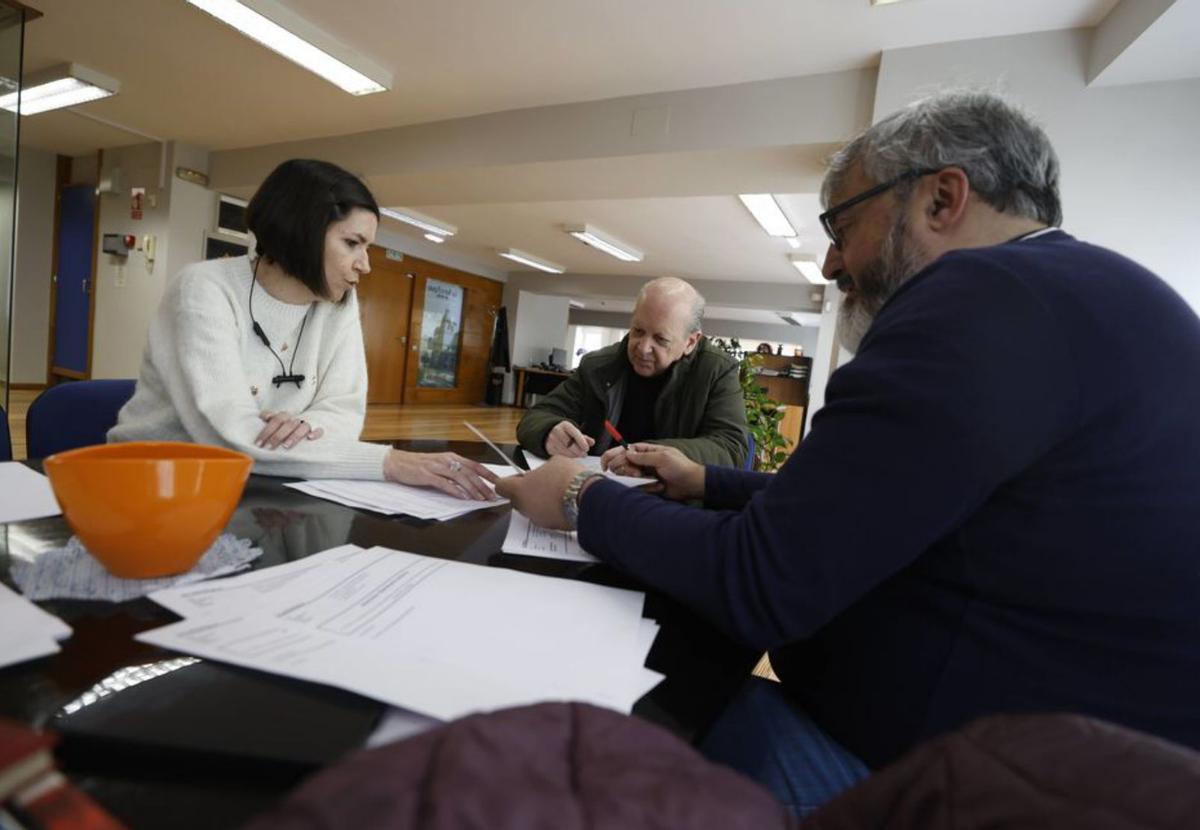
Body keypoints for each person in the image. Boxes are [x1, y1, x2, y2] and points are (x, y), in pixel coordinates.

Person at [498, 90, 1200, 815]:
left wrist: (584, 499)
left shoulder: (978, 298)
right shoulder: (1101, 294)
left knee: (584, 727)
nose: (833, 262)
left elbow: (760, 583)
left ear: (941, 199)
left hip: (954, 785)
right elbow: (876, 501)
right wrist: (710, 480)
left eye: (843, 224)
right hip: (1082, 770)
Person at [110, 159, 496, 500]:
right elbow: (227, 435)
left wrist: (308, 424)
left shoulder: (338, 302)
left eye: (368, 248)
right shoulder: (203, 289)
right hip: (157, 481)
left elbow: (343, 411)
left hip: (268, 480)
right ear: (301, 231)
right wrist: (390, 462)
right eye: (352, 243)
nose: (365, 265)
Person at [515, 277, 749, 470]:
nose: (643, 347)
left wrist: (652, 456)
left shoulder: (716, 371)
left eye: (661, 339)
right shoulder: (597, 366)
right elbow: (538, 416)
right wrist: (549, 431)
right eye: (638, 331)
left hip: (674, 505)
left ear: (690, 342)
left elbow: (731, 448)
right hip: (599, 492)